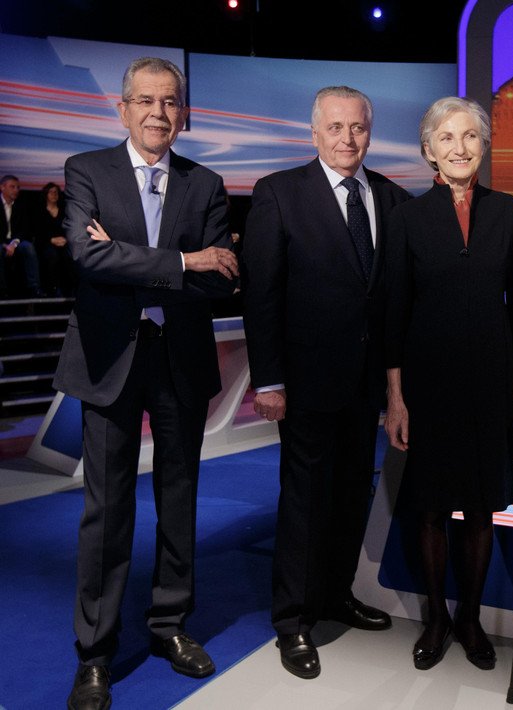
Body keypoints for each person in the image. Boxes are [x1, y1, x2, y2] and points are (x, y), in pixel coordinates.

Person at [55, 57, 239, 710]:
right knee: (106, 511)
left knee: (179, 499)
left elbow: (221, 279)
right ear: (124, 109)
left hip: (179, 359)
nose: (158, 113)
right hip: (109, 361)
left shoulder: (206, 183)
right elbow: (88, 256)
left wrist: (127, 260)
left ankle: (169, 625)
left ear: (183, 114)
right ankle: (95, 654)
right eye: (146, 101)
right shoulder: (86, 171)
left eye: (170, 102)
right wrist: (182, 261)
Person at [242, 85, 411, 680]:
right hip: (305, 383)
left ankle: (337, 594)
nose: (347, 138)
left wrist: (395, 388)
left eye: (357, 127)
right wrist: (269, 381)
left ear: (370, 131)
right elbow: (261, 294)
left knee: (351, 494)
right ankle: (292, 618)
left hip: (365, 385)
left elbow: (390, 299)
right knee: (304, 501)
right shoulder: (278, 193)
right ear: (314, 133)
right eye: (335, 127)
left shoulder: (391, 197)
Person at [383, 97, 513, 672]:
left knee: (482, 509)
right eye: (446, 138)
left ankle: (469, 617)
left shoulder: (509, 213)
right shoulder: (407, 219)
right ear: (429, 151)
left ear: (484, 146)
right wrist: (396, 397)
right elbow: (393, 313)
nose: (460, 147)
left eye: (470, 136)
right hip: (428, 386)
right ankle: (437, 619)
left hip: (492, 382)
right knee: (431, 509)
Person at [0, 174, 44, 297]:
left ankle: (34, 287)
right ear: (2, 187)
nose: (16, 190)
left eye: (17, 187)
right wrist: (4, 245)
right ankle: (2, 290)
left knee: (28, 247)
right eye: (12, 187)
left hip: (16, 241)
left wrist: (14, 243)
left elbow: (25, 229)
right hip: (1, 242)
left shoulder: (21, 205)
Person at [34, 182, 77, 296]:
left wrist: (66, 239)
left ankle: (70, 288)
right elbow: (37, 232)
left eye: (56, 192)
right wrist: (51, 240)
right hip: (46, 242)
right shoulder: (39, 211)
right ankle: (53, 288)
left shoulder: (64, 211)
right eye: (51, 192)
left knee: (70, 255)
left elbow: (70, 228)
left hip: (64, 242)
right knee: (52, 255)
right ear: (46, 194)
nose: (54, 194)